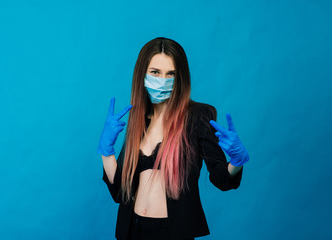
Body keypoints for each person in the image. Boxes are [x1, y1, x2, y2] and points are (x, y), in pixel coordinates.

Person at [97, 37, 249, 240]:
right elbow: (119, 192)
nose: (162, 80)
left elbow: (223, 179)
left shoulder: (197, 116)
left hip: (172, 232)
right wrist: (107, 152)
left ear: (180, 78)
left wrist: (236, 162)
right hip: (131, 229)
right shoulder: (139, 118)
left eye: (170, 74)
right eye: (155, 72)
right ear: (142, 74)